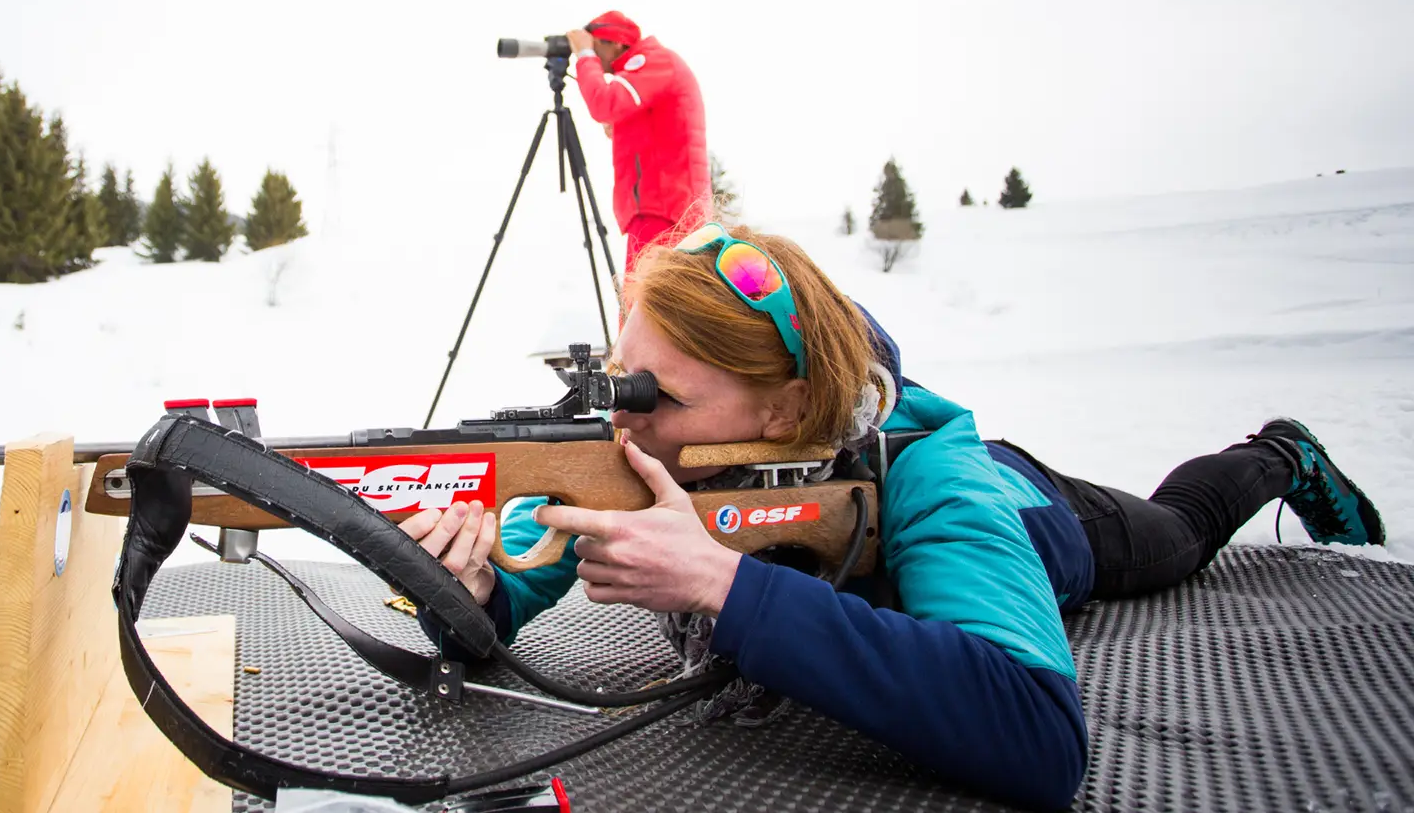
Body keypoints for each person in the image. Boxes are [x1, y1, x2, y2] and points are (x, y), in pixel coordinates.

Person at [403, 222, 1386, 810]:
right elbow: (520, 580)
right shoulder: (655, 447)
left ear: (783, 409)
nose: (624, 420)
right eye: (623, 380)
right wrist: (472, 588)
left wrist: (722, 584)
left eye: (656, 396)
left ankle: (1276, 455)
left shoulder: (929, 474)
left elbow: (1040, 738)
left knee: (1176, 532)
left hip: (1038, 515)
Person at [564, 11, 710, 271]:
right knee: (647, 303)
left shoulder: (655, 61)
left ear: (616, 42)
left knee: (645, 303)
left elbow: (604, 105)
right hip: (666, 207)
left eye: (595, 46)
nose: (594, 56)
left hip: (664, 210)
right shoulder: (655, 67)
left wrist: (584, 57)